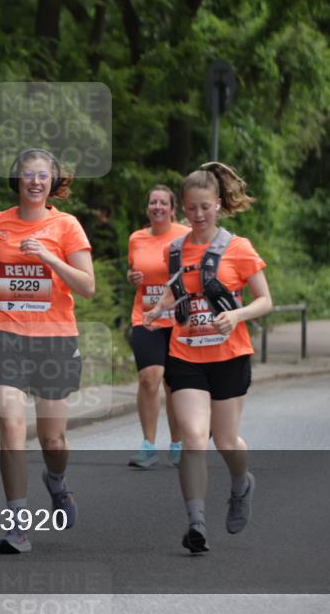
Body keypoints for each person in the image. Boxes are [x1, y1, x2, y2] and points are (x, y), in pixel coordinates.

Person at [142, 161, 272, 554]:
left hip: (229, 356)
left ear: (218, 204)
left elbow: (266, 300)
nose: (198, 215)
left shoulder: (239, 248)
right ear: (183, 208)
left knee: (225, 440)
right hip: (186, 355)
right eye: (192, 208)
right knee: (195, 437)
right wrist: (156, 310)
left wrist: (236, 315)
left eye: (205, 207)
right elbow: (178, 291)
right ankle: (196, 523)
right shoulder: (176, 249)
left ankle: (241, 482)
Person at [0, 148, 95, 554]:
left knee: (53, 440)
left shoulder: (67, 227)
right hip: (7, 333)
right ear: (18, 179)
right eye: (28, 174)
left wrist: (48, 257)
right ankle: (17, 525)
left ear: (52, 182)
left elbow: (87, 286)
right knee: (10, 426)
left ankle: (56, 482)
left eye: (43, 175)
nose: (35, 181)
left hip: (55, 338)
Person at [126, 186, 190, 468]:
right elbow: (134, 270)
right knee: (149, 379)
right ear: (147, 208)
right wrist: (132, 276)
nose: (158, 207)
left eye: (164, 202)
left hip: (178, 318)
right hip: (146, 317)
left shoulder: (183, 236)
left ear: (172, 209)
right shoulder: (136, 238)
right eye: (153, 202)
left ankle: (177, 444)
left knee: (173, 384)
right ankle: (148, 446)